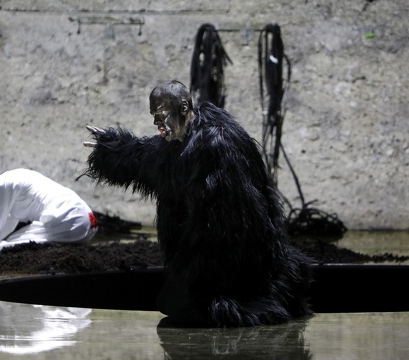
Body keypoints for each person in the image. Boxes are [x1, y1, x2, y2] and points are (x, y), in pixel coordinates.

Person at [83, 80, 312, 327]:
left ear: (183, 107)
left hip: (238, 268)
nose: (156, 123)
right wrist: (111, 148)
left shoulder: (217, 144)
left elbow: (237, 224)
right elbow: (144, 155)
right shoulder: (177, 143)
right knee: (170, 302)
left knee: (181, 306)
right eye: (153, 116)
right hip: (207, 265)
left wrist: (210, 284)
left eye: (160, 115)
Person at [0, 168, 97, 256]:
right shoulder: (10, 184)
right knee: (12, 240)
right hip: (80, 220)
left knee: (8, 247)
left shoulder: (2, 186)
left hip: (70, 220)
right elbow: (5, 226)